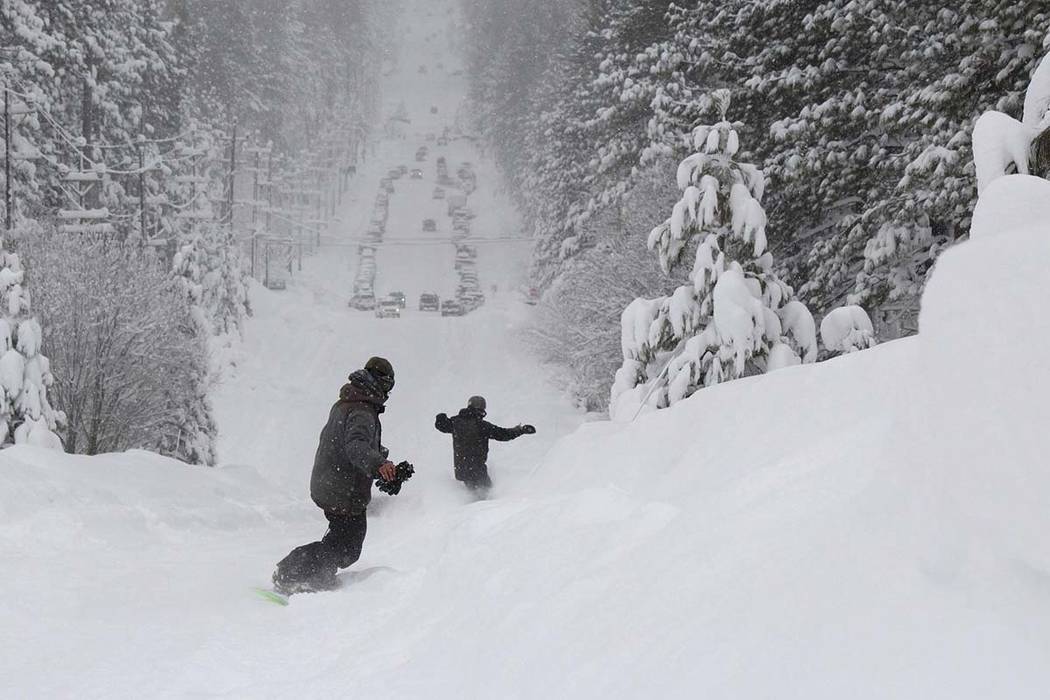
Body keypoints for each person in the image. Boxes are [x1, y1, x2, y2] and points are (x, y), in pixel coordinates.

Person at [272, 357, 400, 595]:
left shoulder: (348, 402)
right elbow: (355, 446)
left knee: (341, 539)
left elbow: (348, 443)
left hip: (331, 482)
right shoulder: (362, 410)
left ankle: (308, 572)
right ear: (381, 383)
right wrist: (379, 464)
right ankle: (292, 573)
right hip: (343, 489)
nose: (388, 393)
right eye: (389, 386)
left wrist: (381, 463)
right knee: (347, 547)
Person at [435, 395, 535, 495]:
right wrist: (520, 430)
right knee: (487, 498)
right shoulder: (482, 426)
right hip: (478, 470)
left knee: (473, 496)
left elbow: (442, 426)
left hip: (462, 470)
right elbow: (503, 434)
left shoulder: (456, 422)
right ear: (481, 408)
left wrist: (440, 417)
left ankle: (466, 507)